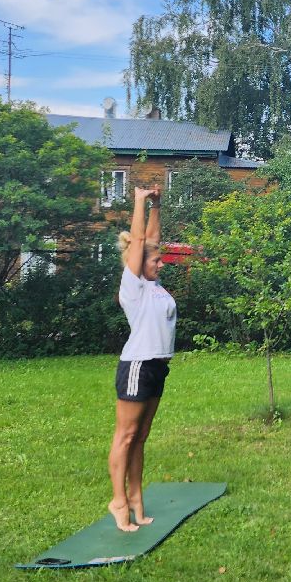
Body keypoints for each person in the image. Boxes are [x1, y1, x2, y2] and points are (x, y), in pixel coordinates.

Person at [110, 185, 176, 532]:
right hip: (137, 365)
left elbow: (150, 239)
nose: (161, 262)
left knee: (141, 436)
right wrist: (137, 201)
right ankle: (118, 501)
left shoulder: (153, 284)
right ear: (140, 264)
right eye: (156, 260)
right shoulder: (132, 285)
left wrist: (157, 205)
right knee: (126, 435)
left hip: (157, 367)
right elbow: (140, 243)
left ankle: (136, 498)